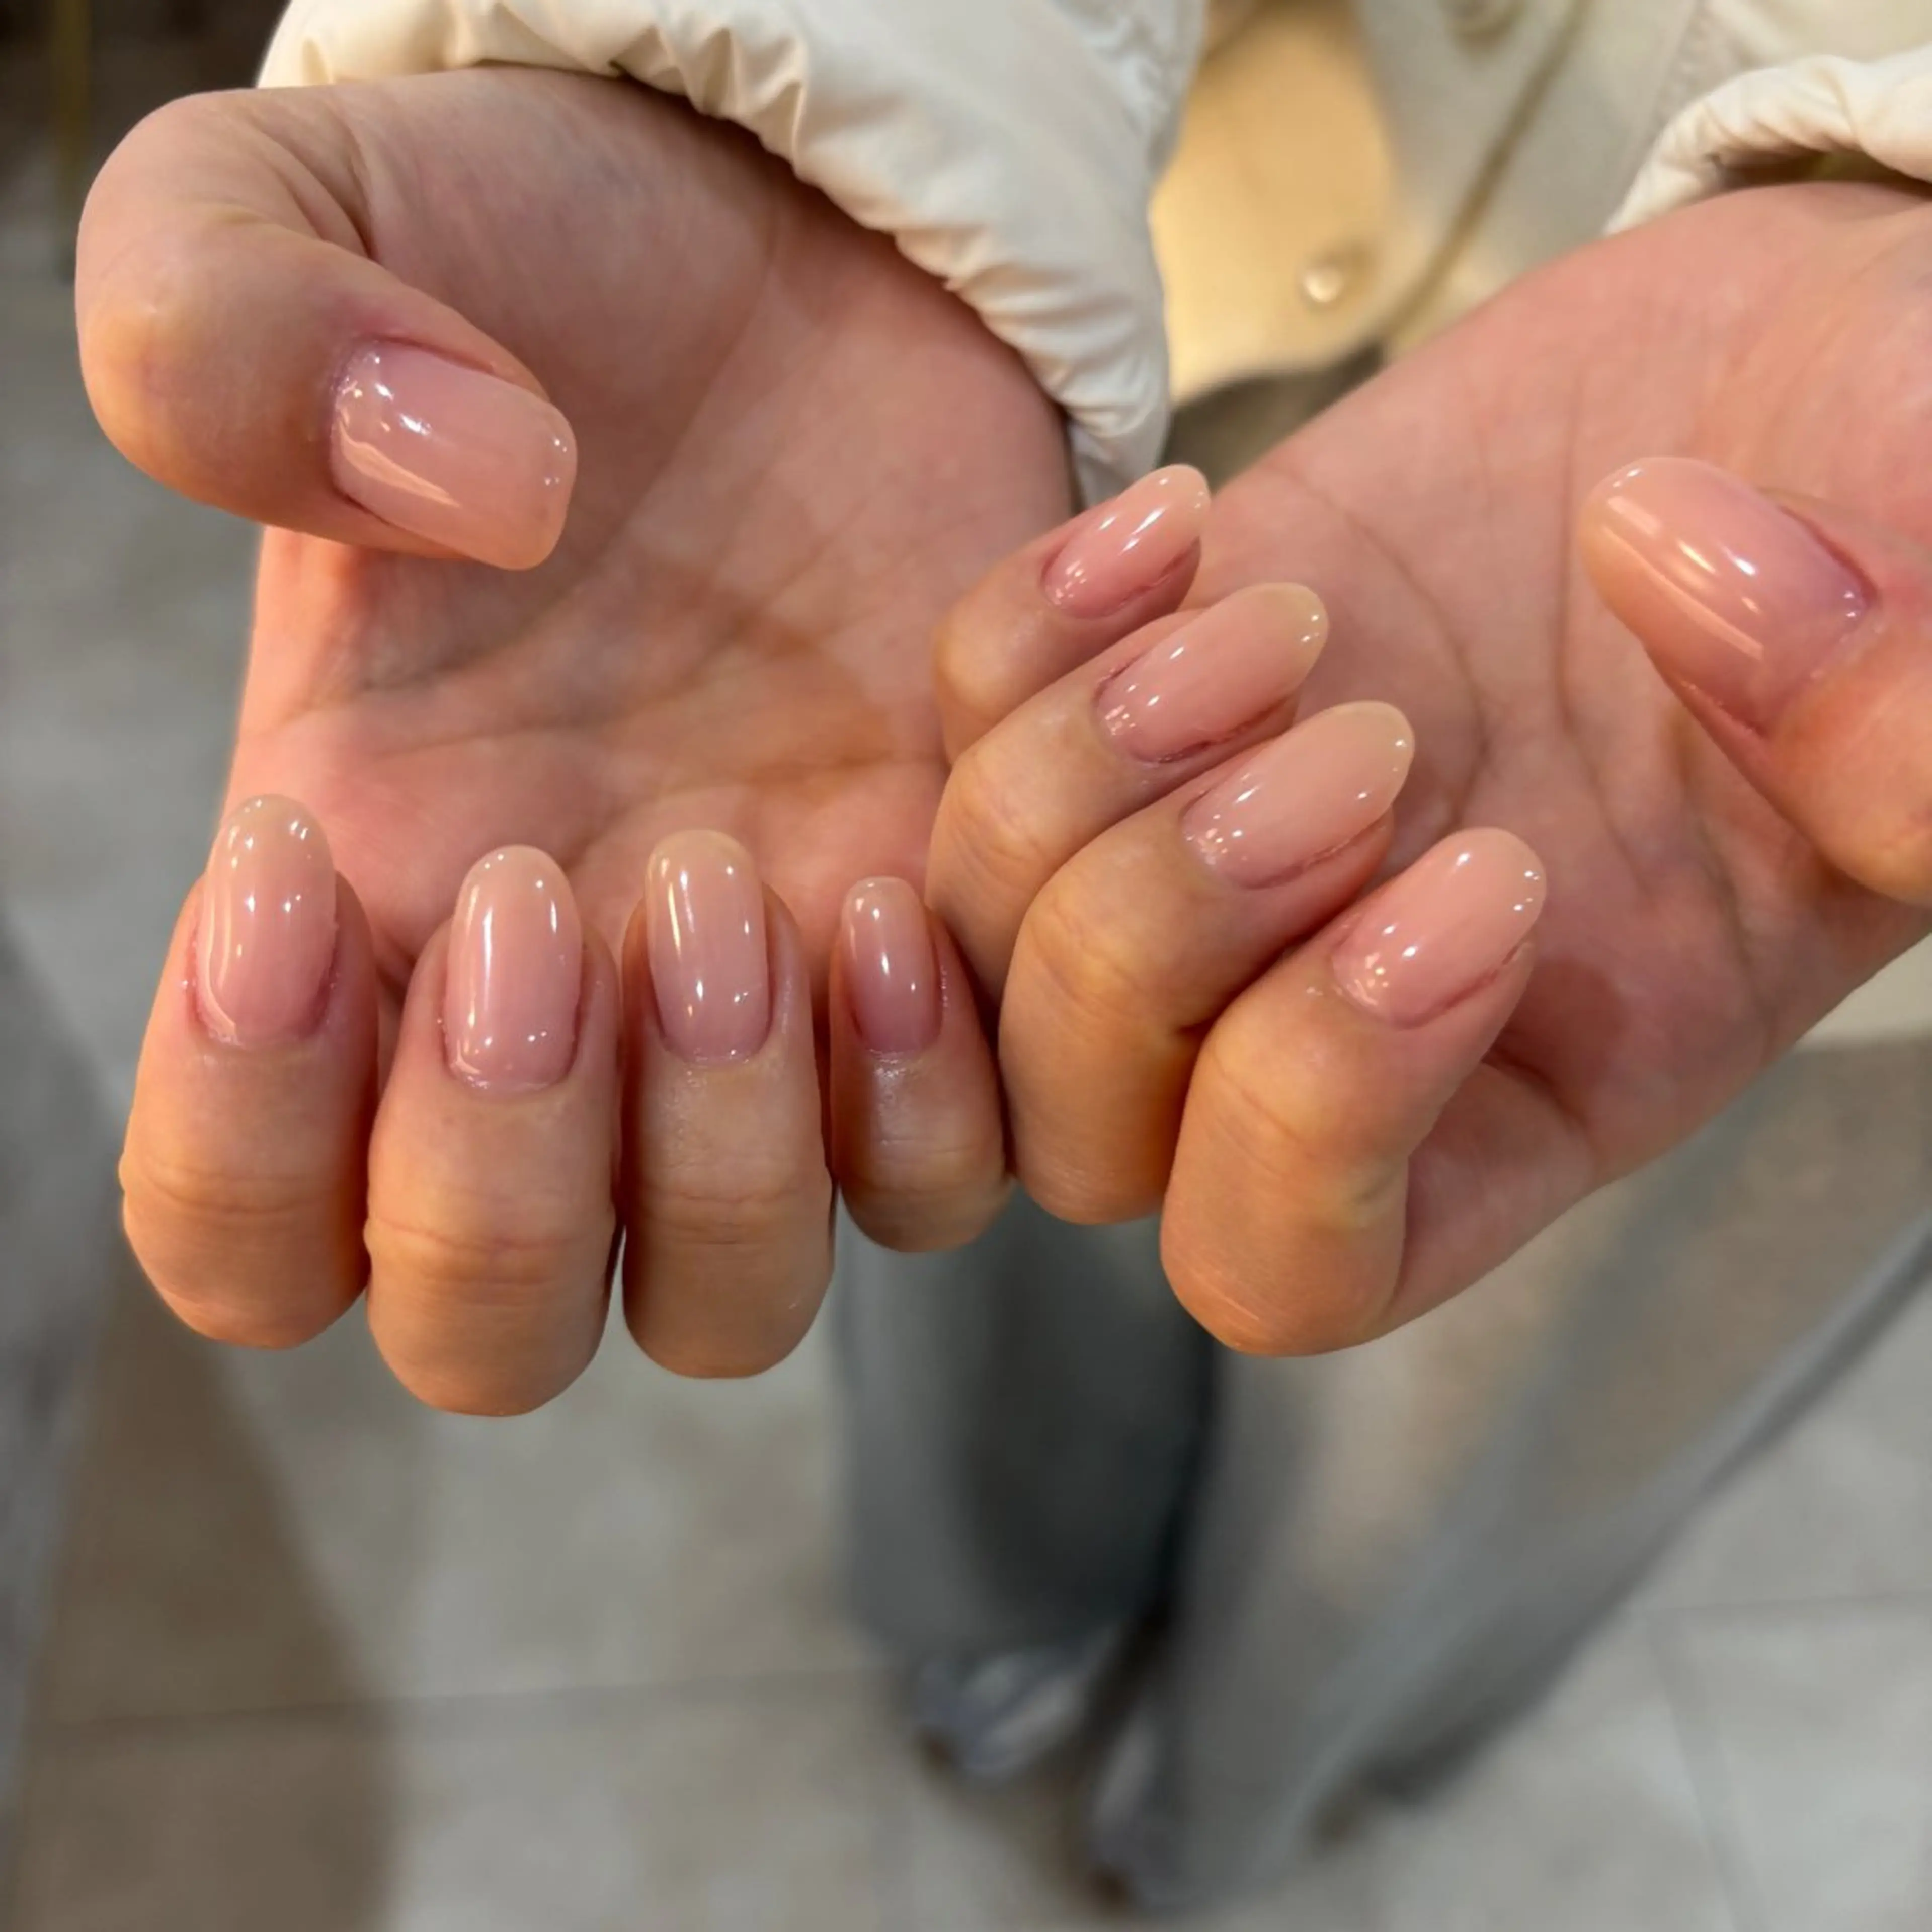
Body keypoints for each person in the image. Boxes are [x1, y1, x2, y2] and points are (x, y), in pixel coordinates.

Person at [77, 0, 1932, 1906]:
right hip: (1061, 325)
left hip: (1831, 731)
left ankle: (1273, 1770)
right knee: (983, 1085)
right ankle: (1006, 1598)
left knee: (1500, 1421)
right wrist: (815, 82)